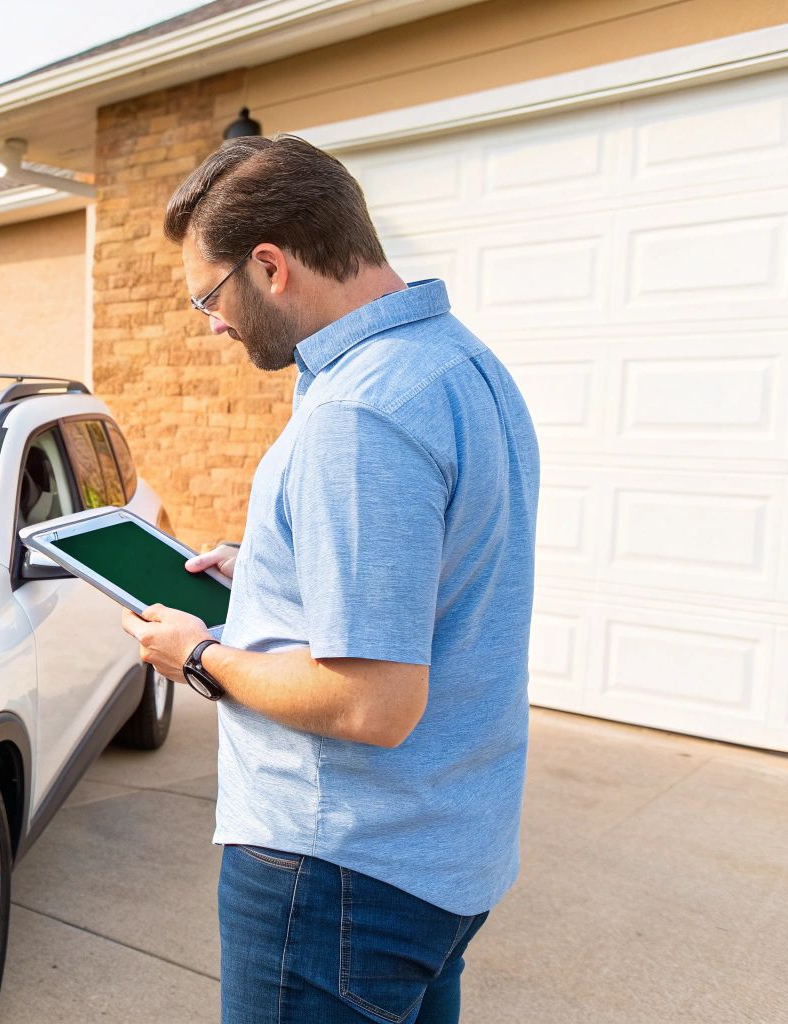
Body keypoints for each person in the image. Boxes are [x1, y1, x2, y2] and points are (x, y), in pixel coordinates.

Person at [119, 134, 540, 1024]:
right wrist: (272, 572)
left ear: (270, 266)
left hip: (338, 872)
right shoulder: (459, 364)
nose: (213, 325)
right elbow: (436, 577)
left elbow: (371, 705)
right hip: (444, 855)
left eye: (209, 297)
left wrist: (200, 656)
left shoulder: (359, 414)